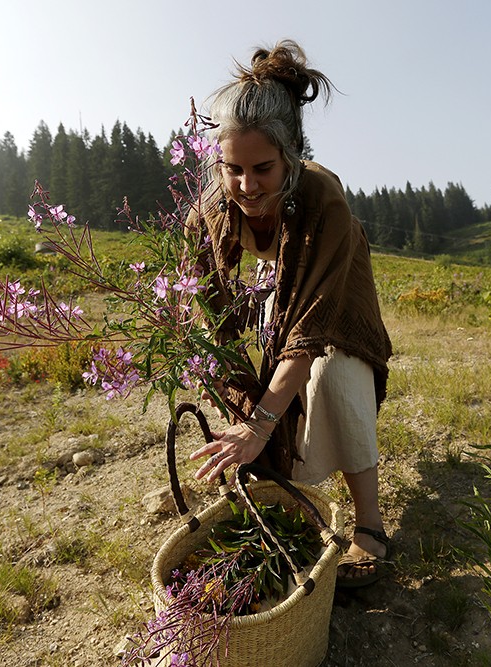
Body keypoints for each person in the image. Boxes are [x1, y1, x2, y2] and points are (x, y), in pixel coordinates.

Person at [187, 40, 394, 588]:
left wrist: (260, 422)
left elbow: (309, 332)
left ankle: (369, 526)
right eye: (232, 170)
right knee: (263, 383)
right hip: (277, 276)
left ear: (292, 156)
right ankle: (280, 493)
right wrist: (244, 405)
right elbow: (212, 323)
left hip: (338, 280)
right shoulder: (211, 212)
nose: (247, 187)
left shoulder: (325, 201)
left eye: (263, 169)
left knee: (335, 374)